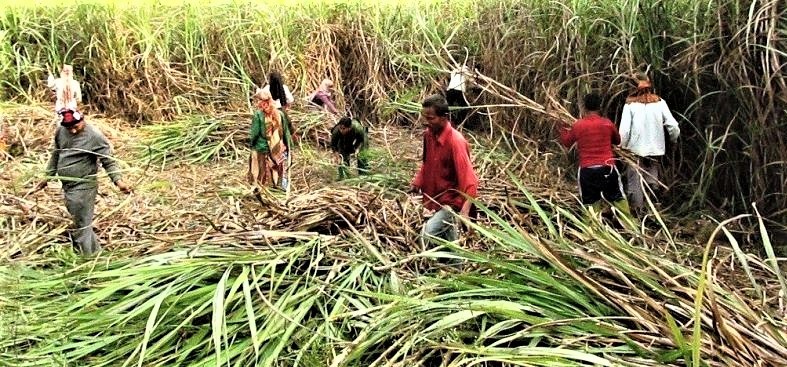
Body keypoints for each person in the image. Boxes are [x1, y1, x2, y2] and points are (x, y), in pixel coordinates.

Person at [36, 109, 132, 255]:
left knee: (82, 223)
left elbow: (108, 161)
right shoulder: (61, 131)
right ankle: (91, 252)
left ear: (83, 120)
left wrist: (119, 182)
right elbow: (56, 154)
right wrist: (47, 177)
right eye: (69, 128)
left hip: (84, 186)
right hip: (68, 185)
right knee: (79, 220)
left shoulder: (94, 136)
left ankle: (89, 257)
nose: (73, 131)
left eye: (76, 126)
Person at [411, 94, 478, 246]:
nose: (426, 122)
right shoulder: (429, 135)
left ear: (444, 117)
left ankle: (439, 265)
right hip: (437, 199)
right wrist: (418, 182)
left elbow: (470, 180)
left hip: (451, 202)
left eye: (431, 118)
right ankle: (456, 267)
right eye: (425, 117)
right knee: (448, 239)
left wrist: (465, 212)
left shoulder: (456, 141)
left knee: (427, 234)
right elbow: (427, 162)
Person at [559, 93, 630, 216]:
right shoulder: (607, 124)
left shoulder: (578, 125)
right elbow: (618, 141)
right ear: (600, 107)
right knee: (618, 197)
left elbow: (566, 142)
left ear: (584, 107)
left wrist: (562, 128)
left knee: (590, 202)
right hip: (608, 167)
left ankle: (592, 231)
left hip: (587, 170)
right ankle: (630, 227)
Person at [619, 72, 680, 214]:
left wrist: (622, 147)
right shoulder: (660, 102)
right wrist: (673, 140)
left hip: (635, 150)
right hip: (655, 149)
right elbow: (673, 126)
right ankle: (655, 208)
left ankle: (638, 212)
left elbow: (624, 131)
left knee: (635, 182)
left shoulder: (630, 105)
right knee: (652, 175)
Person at [248, 89, 292, 190]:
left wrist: (252, 144)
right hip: (277, 147)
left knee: (260, 167)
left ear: (259, 101)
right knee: (277, 165)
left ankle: (261, 186)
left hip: (261, 147)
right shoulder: (280, 113)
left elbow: (255, 133)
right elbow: (285, 132)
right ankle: (277, 184)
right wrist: (288, 145)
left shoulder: (258, 115)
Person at [445, 63, 477, 127]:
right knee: (464, 107)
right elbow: (472, 82)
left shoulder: (454, 71)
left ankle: (447, 121)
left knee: (448, 107)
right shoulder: (466, 71)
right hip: (458, 90)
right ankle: (461, 123)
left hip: (450, 90)